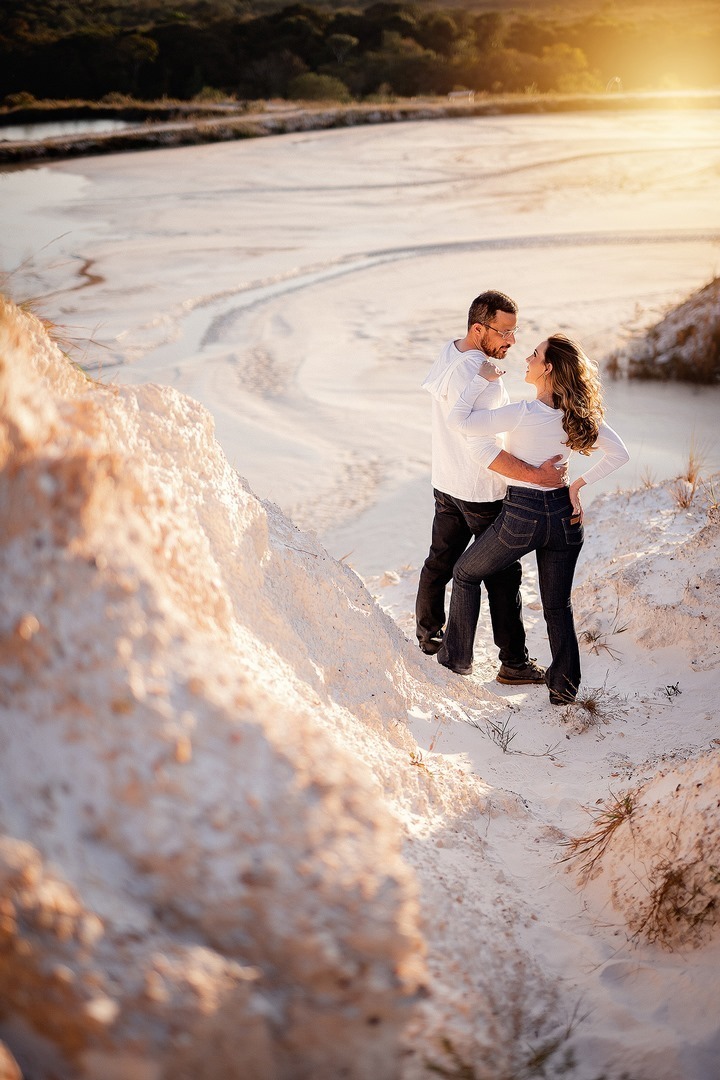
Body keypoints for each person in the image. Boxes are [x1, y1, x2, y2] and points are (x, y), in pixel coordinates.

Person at [436, 333, 629, 705]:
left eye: (535, 354)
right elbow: (619, 454)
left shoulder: (523, 412)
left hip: (522, 516)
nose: (527, 357)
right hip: (563, 517)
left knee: (465, 573)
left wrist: (482, 379)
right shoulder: (579, 416)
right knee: (558, 606)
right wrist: (577, 486)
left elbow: (458, 421)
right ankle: (564, 691)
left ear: (549, 367)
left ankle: (455, 659)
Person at [415, 290, 567, 686]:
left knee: (440, 561)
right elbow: (480, 445)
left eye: (516, 332)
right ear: (479, 328)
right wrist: (537, 476)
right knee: (502, 575)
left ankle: (429, 637)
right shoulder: (475, 372)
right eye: (504, 332)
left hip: (446, 482)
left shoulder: (451, 352)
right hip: (481, 490)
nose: (512, 342)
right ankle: (513, 663)